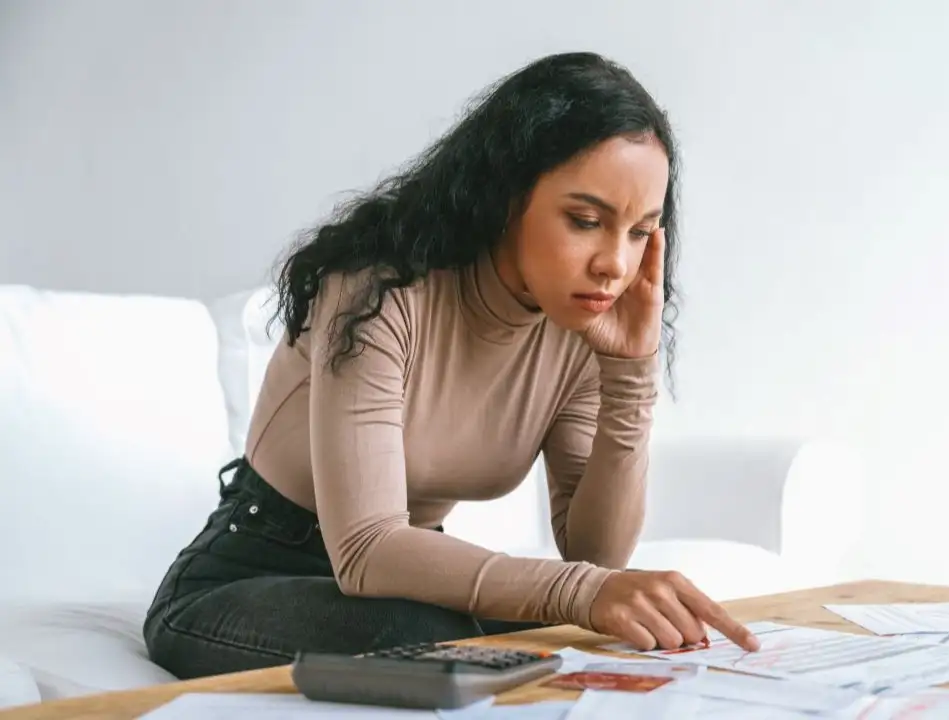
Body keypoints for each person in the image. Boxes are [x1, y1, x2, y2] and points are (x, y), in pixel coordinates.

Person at [143, 51, 760, 680]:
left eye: (639, 233)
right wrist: (585, 591)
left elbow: (594, 554)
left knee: (582, 634)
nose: (614, 263)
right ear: (508, 196)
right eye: (585, 221)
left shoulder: (578, 324)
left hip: (407, 584)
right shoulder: (378, 293)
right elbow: (366, 550)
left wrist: (632, 375)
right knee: (443, 639)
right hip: (249, 575)